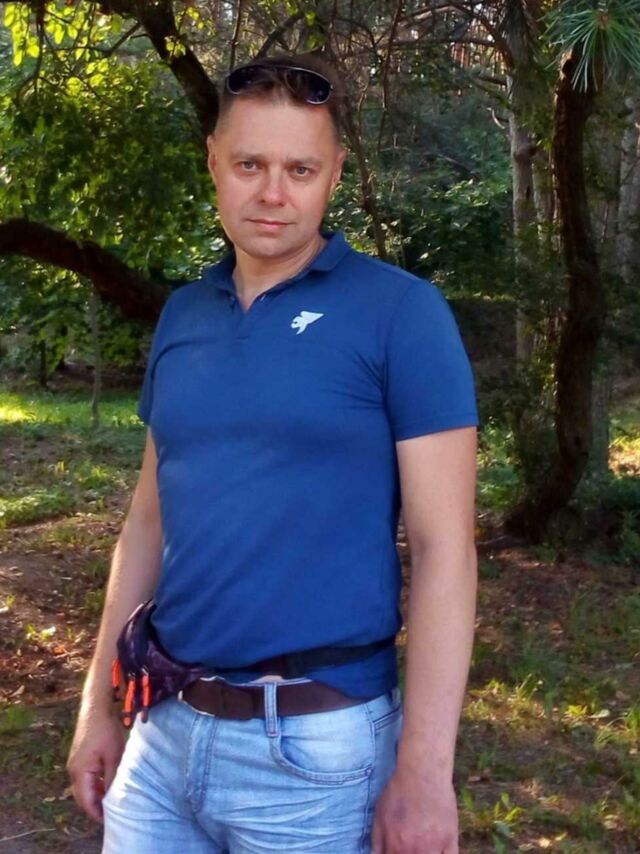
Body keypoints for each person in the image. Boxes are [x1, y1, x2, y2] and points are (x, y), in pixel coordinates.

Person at [66, 52, 479, 854]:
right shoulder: (185, 314)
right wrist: (98, 705)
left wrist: (426, 772)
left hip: (314, 753)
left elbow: (445, 551)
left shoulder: (401, 314)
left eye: (301, 169)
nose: (273, 193)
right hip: (162, 734)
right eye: (250, 164)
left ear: (335, 174)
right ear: (213, 162)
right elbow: (147, 523)